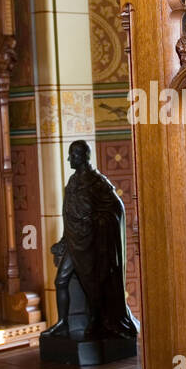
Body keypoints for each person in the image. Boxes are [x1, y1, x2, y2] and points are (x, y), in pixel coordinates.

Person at [44, 140, 138, 341]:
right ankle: (62, 324)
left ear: (84, 157)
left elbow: (116, 209)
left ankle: (97, 322)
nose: (70, 159)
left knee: (94, 285)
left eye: (74, 155)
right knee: (60, 280)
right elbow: (69, 215)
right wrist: (63, 240)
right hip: (73, 241)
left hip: (92, 243)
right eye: (70, 155)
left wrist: (97, 224)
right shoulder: (72, 182)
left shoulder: (98, 182)